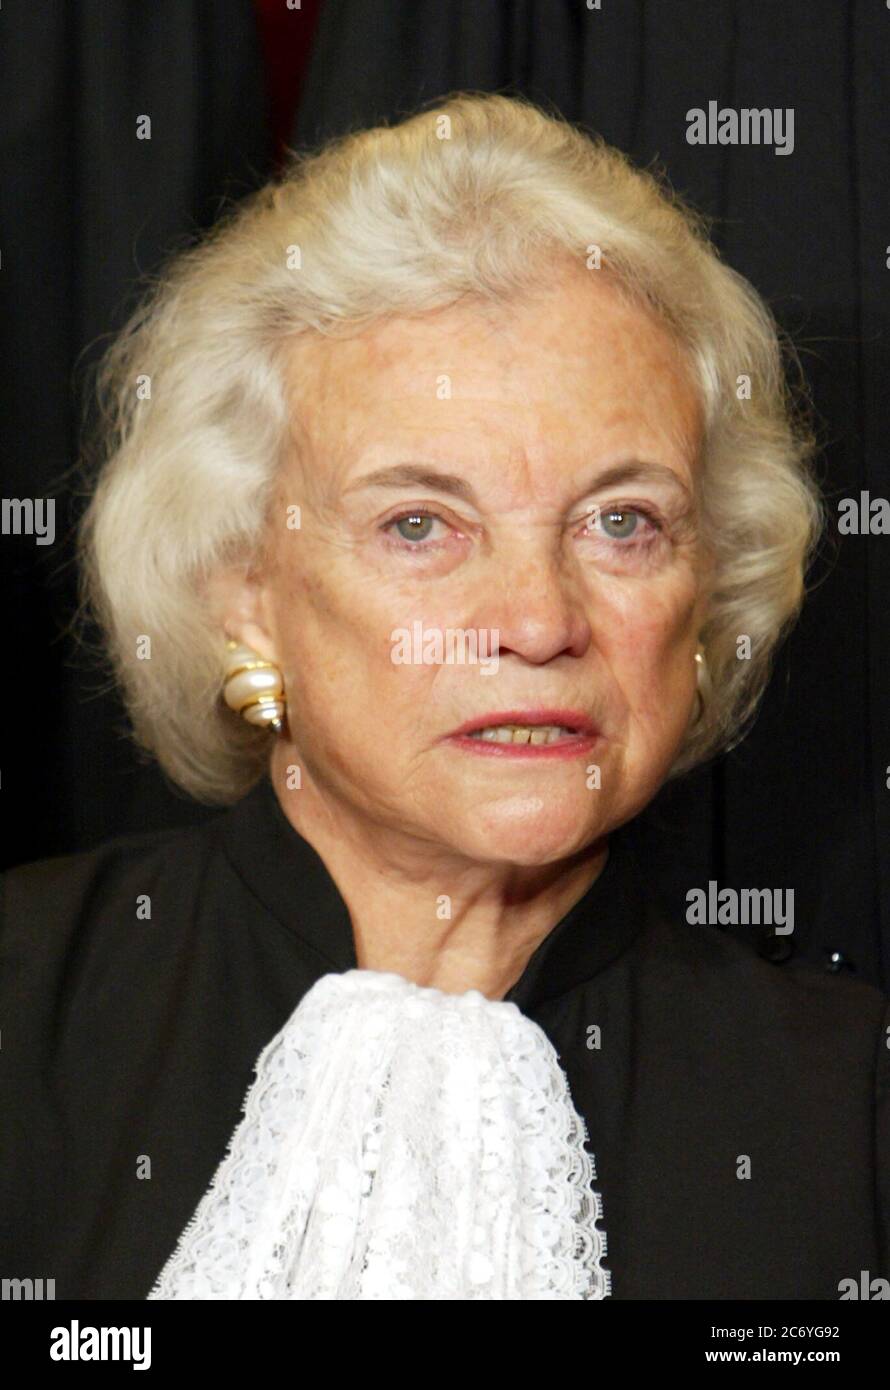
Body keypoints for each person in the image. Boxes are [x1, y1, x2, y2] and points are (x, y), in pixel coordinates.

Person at [1, 92, 887, 1301]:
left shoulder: (853, 1112)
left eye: (621, 522)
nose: (537, 621)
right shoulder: (22, 1003)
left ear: (707, 585)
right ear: (244, 589)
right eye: (419, 523)